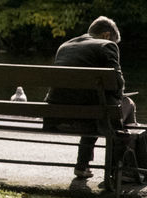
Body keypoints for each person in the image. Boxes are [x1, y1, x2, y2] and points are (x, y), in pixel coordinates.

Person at [45, 15, 141, 179]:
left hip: (56, 116)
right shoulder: (107, 45)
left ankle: (82, 165)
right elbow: (117, 84)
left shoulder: (65, 46)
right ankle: (121, 168)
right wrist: (119, 96)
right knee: (126, 104)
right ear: (106, 35)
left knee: (98, 106)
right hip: (90, 115)